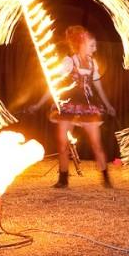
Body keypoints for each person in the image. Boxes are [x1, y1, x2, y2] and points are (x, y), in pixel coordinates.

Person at [28, 25, 116, 188]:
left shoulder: (92, 64)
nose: (94, 49)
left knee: (96, 144)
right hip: (68, 106)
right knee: (62, 143)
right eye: (92, 45)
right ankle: (63, 179)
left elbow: (99, 87)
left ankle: (106, 180)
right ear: (82, 44)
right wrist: (39, 103)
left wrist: (108, 105)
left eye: (95, 46)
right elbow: (53, 86)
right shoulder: (69, 61)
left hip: (88, 107)